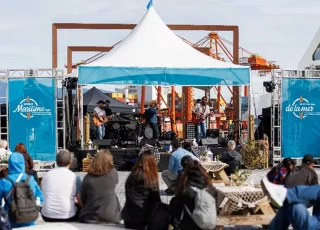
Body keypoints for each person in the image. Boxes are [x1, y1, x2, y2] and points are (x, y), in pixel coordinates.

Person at [170, 160, 217, 230]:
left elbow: (176, 214)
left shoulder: (185, 190)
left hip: (188, 225)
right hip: (208, 226)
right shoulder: (211, 189)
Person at [0, 152, 43, 228]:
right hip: (30, 220)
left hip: (12, 220)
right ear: (23, 164)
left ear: (9, 165)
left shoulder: (4, 182)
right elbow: (40, 197)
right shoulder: (30, 179)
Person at [121, 151, 161, 229]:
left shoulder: (132, 176)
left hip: (129, 217)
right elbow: (156, 201)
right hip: (144, 218)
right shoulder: (151, 178)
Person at [79, 149, 121, 224]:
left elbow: (83, 198)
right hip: (111, 216)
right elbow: (116, 181)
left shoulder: (87, 178)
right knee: (113, 195)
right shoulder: (113, 173)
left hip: (90, 216)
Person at [41, 150, 82, 222]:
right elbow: (79, 198)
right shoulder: (75, 177)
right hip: (68, 216)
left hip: (47, 214)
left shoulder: (46, 176)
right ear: (70, 161)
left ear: (56, 161)